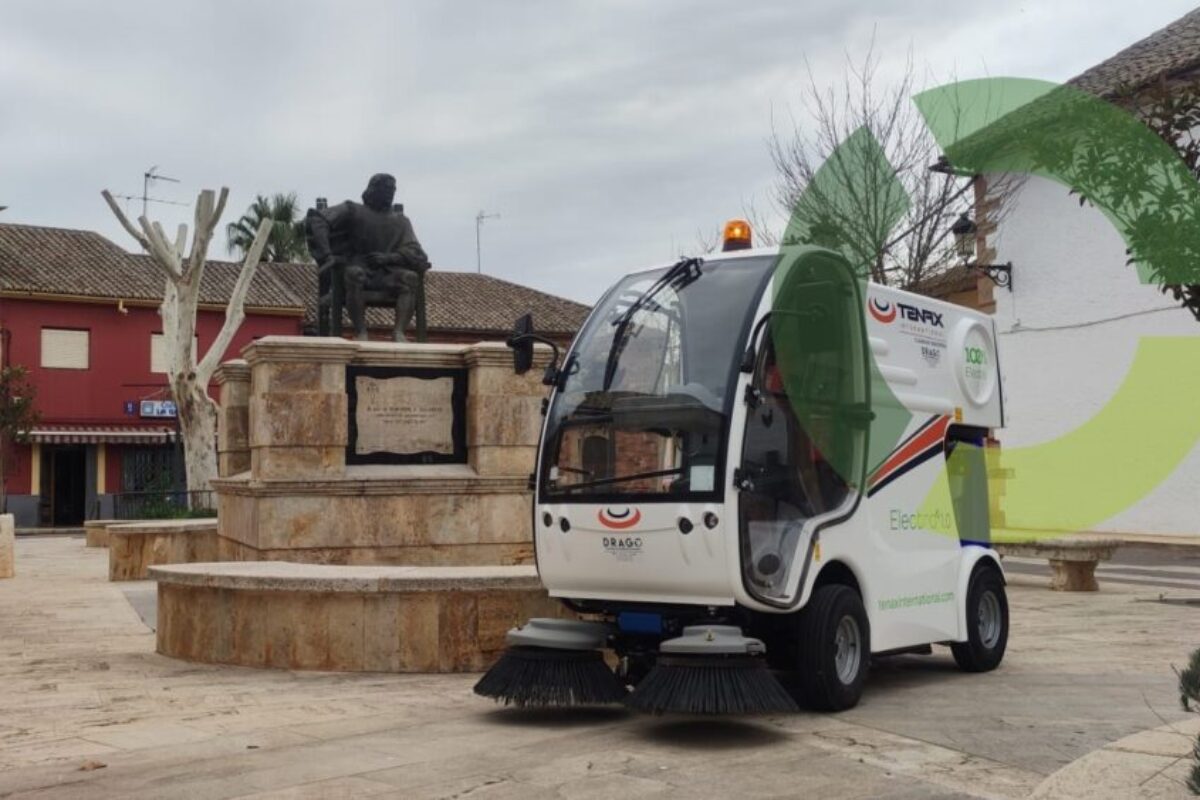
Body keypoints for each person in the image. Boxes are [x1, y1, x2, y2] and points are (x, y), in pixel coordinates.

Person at [306, 173, 430, 341]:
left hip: (388, 274)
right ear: (373, 190)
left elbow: (416, 251)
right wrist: (327, 254)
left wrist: (390, 258)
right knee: (354, 274)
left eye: (392, 189)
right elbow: (317, 219)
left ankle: (399, 332)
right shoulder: (353, 210)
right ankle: (361, 332)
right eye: (385, 189)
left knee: (410, 278)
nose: (390, 193)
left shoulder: (401, 221)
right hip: (358, 271)